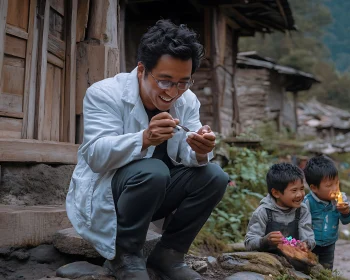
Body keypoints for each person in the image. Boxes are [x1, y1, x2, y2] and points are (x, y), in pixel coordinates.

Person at [66, 20, 229, 280]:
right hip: (113, 196)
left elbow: (192, 158)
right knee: (153, 170)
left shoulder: (187, 100)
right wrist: (144, 138)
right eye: (164, 81)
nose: (172, 93)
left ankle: (169, 255)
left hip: (157, 194)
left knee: (215, 176)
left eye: (182, 83)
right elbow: (95, 155)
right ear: (142, 70)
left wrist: (201, 148)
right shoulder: (105, 94)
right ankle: (126, 256)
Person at [244, 163, 315, 256]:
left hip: (294, 258)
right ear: (276, 193)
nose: (300, 194)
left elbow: (309, 238)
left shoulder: (302, 211)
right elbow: (249, 243)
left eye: (302, 189)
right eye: (294, 190)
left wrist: (305, 244)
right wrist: (265, 241)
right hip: (267, 260)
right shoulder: (263, 212)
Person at [303, 155, 350, 269]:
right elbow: (301, 224)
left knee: (327, 269)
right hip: (310, 244)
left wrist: (346, 211)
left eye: (336, 183)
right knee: (309, 269)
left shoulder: (341, 198)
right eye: (329, 185)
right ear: (314, 188)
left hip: (329, 244)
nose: (335, 188)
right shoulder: (307, 203)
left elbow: (347, 220)